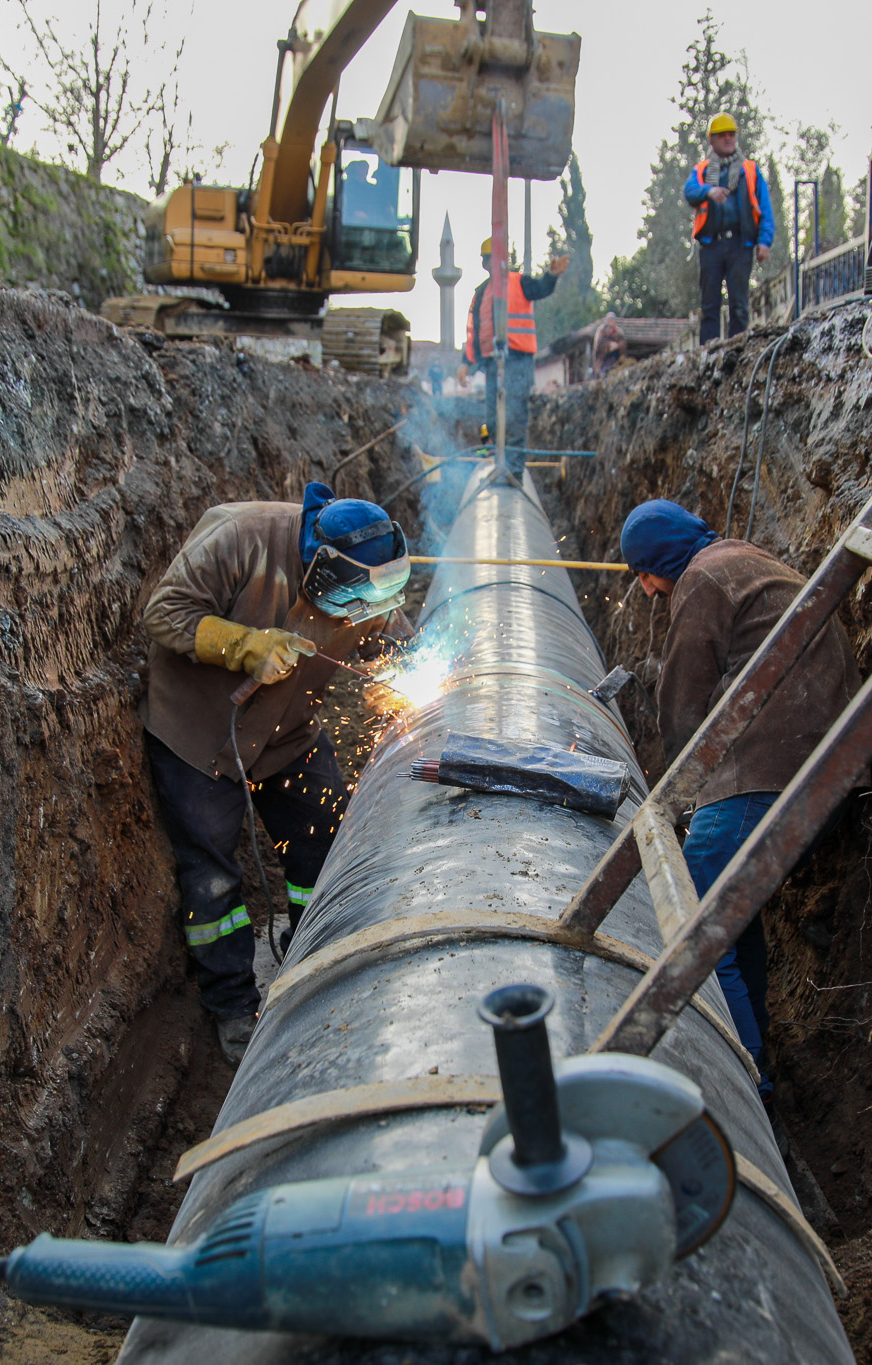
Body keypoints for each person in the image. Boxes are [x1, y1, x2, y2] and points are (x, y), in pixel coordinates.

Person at [142, 482, 413, 1063]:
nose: (362, 614)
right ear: (322, 567)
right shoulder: (240, 536)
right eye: (354, 601)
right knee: (212, 877)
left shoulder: (367, 578)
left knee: (326, 840)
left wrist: (406, 671)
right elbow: (163, 613)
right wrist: (244, 645)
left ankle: (310, 951)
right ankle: (232, 1005)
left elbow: (390, 635)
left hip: (289, 736)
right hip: (200, 737)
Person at [620, 499, 860, 1099]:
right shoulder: (743, 559)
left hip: (767, 771)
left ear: (661, 561)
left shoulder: (700, 580)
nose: (647, 591)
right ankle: (758, 1045)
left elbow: (683, 700)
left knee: (696, 911)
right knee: (732, 911)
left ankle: (745, 1081)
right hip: (825, 761)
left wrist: (677, 796)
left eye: (644, 574)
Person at [457, 241, 570, 468]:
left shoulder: (519, 282)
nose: (494, 263)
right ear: (485, 262)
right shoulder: (481, 293)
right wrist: (466, 362)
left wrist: (551, 276)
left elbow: (541, 289)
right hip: (492, 363)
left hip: (518, 360)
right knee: (493, 420)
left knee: (515, 417)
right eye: (489, 258)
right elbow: (475, 332)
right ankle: (501, 463)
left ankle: (514, 471)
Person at [683, 113, 775, 344]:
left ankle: (737, 349)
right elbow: (689, 192)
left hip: (740, 245)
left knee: (739, 305)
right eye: (722, 135)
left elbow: (765, 208)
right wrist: (709, 191)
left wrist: (764, 241)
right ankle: (709, 352)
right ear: (711, 140)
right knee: (710, 306)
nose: (728, 139)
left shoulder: (750, 170)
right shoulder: (702, 170)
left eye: (731, 134)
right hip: (711, 245)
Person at [590, 312, 626, 378]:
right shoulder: (601, 330)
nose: (611, 321)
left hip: (615, 357)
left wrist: (617, 345)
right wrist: (609, 345)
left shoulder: (618, 331)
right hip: (603, 359)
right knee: (603, 372)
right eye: (610, 319)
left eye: (613, 319)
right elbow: (598, 344)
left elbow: (622, 342)